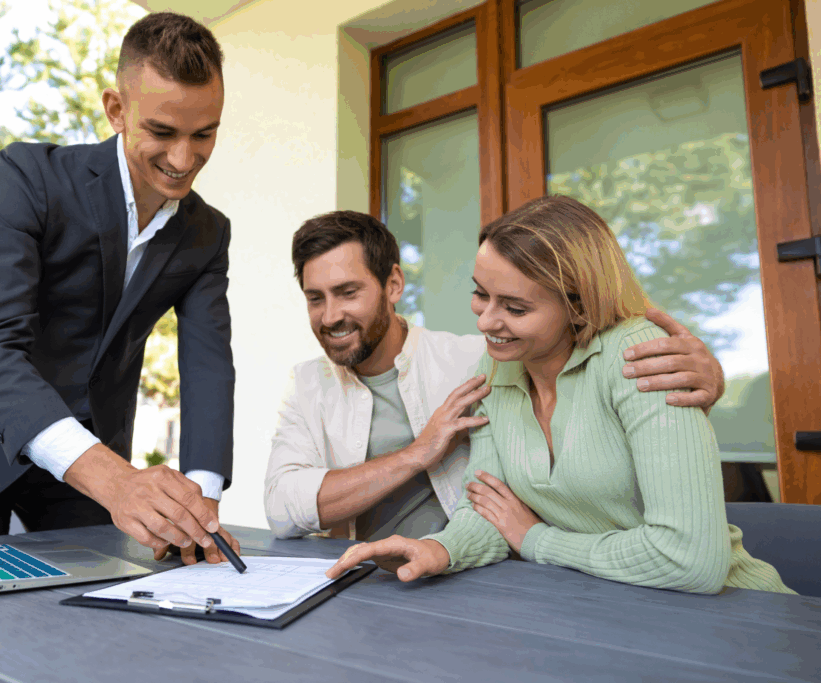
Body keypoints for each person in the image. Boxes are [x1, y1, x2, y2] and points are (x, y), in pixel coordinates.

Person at [0, 12, 239, 565]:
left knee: (89, 619)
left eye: (204, 134)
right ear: (116, 110)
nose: (183, 160)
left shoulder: (206, 232)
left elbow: (208, 368)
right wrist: (118, 482)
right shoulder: (27, 179)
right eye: (162, 132)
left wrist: (201, 504)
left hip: (85, 469)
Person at [325, 197, 793, 594]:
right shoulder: (499, 365)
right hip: (606, 608)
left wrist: (536, 541)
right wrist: (438, 549)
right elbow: (488, 508)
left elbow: (690, 558)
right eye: (480, 294)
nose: (486, 321)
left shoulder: (639, 357)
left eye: (515, 307)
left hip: (738, 614)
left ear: (579, 305)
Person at [265, 210, 725, 544]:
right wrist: (417, 454)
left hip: (478, 578)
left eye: (348, 293)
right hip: (364, 578)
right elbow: (283, 510)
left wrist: (709, 376)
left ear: (393, 285)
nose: (331, 316)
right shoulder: (306, 385)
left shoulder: (479, 361)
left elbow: (583, 347)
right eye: (314, 298)